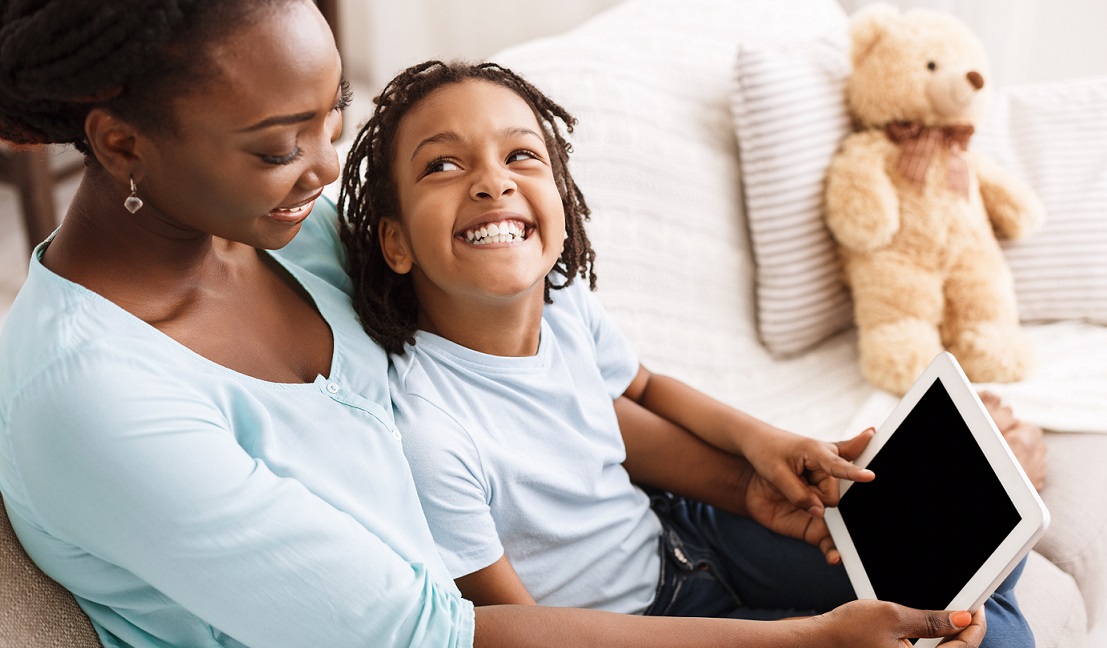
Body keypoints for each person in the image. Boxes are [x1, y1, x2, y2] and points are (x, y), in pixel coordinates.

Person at [0, 1, 998, 646]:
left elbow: (549, 395)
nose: (321, 171)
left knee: (967, 585)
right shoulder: (96, 403)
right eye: (274, 148)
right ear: (121, 144)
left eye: (328, 124)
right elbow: (448, 631)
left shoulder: (291, 236)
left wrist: (748, 477)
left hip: (601, 584)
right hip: (503, 631)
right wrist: (801, 641)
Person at [338, 60, 1035, 646]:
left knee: (973, 563)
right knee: (974, 628)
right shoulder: (429, 431)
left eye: (521, 154)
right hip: (638, 628)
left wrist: (762, 447)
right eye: (443, 165)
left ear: (560, 197)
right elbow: (522, 632)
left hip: (681, 534)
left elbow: (638, 390)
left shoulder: (564, 302)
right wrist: (802, 636)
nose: (492, 182)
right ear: (394, 242)